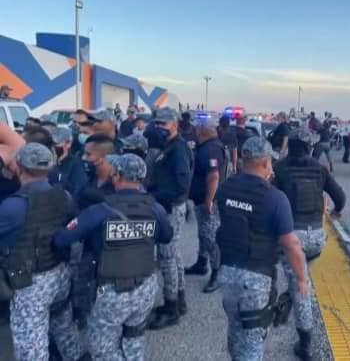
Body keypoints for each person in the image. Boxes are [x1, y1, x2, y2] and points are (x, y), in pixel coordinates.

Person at [53, 153, 173, 360]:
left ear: (116, 176)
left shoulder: (99, 211)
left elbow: (62, 238)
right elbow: (166, 237)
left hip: (111, 292)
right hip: (145, 288)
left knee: (103, 349)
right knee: (134, 338)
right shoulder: (155, 209)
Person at [217, 136, 308, 361]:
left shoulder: (226, 188)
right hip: (256, 280)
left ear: (243, 160)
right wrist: (302, 279)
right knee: (253, 341)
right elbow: (291, 244)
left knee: (236, 331)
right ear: (267, 163)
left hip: (227, 274)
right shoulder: (275, 198)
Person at [0, 143, 85, 360]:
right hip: (60, 273)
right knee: (64, 329)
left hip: (30, 283)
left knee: (31, 343)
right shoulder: (64, 196)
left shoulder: (13, 206)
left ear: (18, 167)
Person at [273, 128, 345, 359]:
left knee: (302, 291)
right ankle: (295, 286)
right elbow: (341, 198)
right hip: (316, 238)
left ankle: (305, 346)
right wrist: (334, 215)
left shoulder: (280, 168)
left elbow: (270, 200)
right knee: (302, 273)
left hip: (293, 239)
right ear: (308, 146)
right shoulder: (320, 169)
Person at [146, 107, 193, 329]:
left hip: (171, 208)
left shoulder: (178, 149)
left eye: (163, 124)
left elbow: (181, 185)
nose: (159, 128)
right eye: (157, 124)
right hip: (166, 206)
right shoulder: (169, 146)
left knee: (167, 258)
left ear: (174, 125)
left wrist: (153, 195)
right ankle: (180, 299)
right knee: (174, 256)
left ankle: (171, 306)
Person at [186, 123, 225, 293]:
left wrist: (209, 200)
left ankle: (217, 273)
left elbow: (214, 176)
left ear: (202, 133)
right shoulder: (212, 146)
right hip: (202, 200)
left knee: (210, 237)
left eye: (196, 131)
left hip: (208, 201)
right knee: (203, 233)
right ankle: (201, 263)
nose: (194, 133)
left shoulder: (210, 150)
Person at [78, 134, 116, 209]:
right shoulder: (86, 178)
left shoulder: (118, 183)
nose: (83, 158)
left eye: (88, 154)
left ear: (105, 157)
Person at [48, 127, 88, 198]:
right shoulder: (46, 160)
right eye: (51, 143)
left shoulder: (76, 164)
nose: (53, 147)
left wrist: (55, 170)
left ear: (68, 143)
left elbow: (75, 190)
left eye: (56, 144)